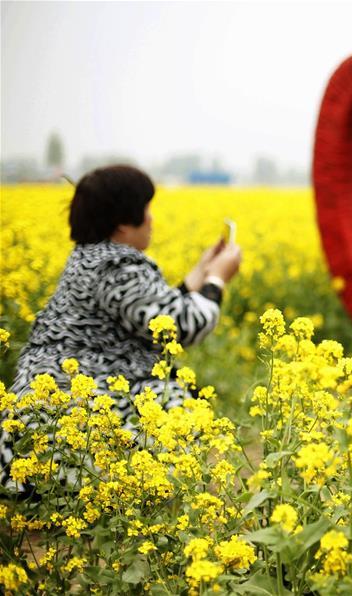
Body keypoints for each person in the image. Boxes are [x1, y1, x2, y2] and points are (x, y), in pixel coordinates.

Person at [0, 164, 242, 492]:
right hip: (77, 421)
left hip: (38, 418)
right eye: (146, 209)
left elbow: (152, 314)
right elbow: (180, 328)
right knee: (181, 404)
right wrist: (218, 279)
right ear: (123, 223)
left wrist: (200, 272)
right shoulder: (118, 266)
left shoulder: (89, 257)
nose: (152, 218)